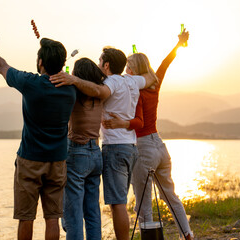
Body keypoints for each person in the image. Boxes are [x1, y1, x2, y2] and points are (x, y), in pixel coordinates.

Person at [50, 47, 157, 240]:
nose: (99, 65)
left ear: (106, 65)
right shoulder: (131, 80)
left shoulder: (109, 83)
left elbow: (99, 90)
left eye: (100, 61)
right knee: (96, 210)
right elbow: (151, 78)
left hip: (111, 148)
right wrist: (143, 64)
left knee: (115, 204)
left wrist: (73, 80)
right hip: (128, 148)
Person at [0, 35, 76, 240]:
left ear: (40, 62)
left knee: (26, 217)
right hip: (58, 161)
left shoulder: (30, 83)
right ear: (62, 63)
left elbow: (1, 65)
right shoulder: (71, 89)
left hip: (30, 160)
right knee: (53, 218)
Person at [102, 30, 193, 239]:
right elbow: (164, 64)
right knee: (170, 196)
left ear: (133, 70)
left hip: (143, 147)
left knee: (143, 204)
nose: (125, 71)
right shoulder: (155, 83)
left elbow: (136, 121)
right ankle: (187, 234)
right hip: (160, 145)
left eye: (127, 67)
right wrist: (178, 44)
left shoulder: (135, 90)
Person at [62, 58, 107, 240]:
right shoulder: (100, 94)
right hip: (96, 154)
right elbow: (94, 88)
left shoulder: (73, 94)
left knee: (73, 216)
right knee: (92, 212)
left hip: (77, 152)